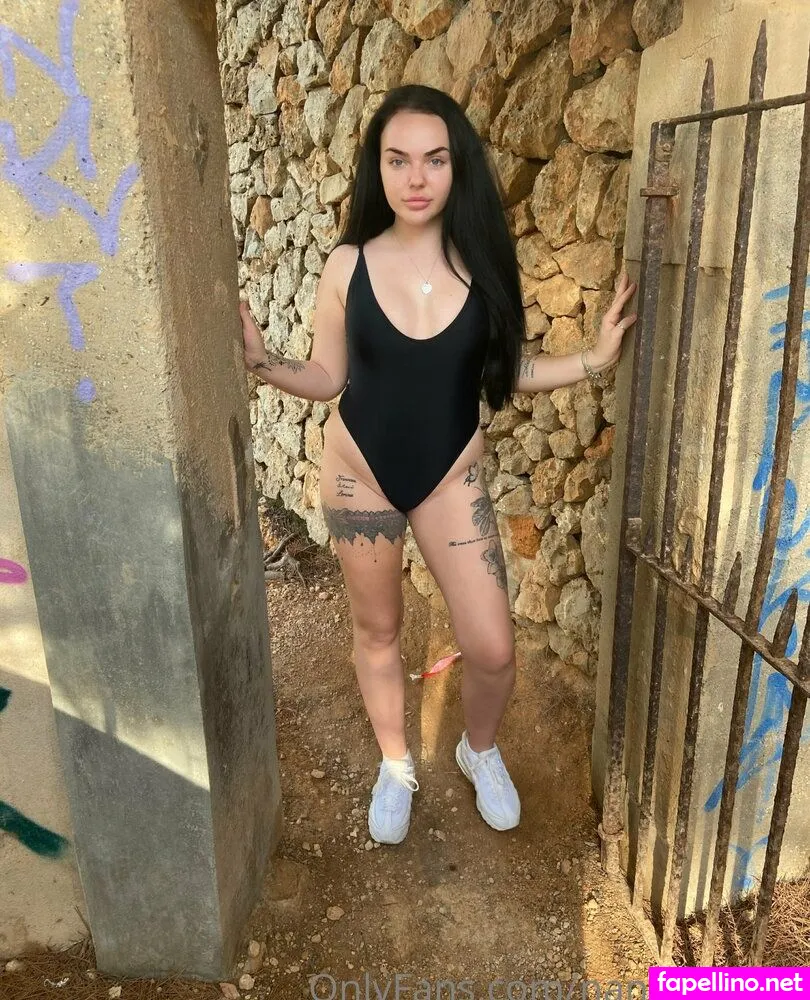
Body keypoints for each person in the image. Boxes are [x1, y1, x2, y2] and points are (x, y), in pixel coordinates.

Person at [240, 84, 637, 846]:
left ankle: (476, 749)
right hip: (360, 473)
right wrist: (264, 363)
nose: (415, 178)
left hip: (450, 476)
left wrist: (592, 359)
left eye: (433, 159)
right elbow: (327, 375)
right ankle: (396, 764)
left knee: (493, 648)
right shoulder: (347, 265)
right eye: (398, 160)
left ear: (457, 168)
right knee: (379, 630)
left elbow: (504, 370)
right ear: (377, 168)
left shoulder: (480, 264)